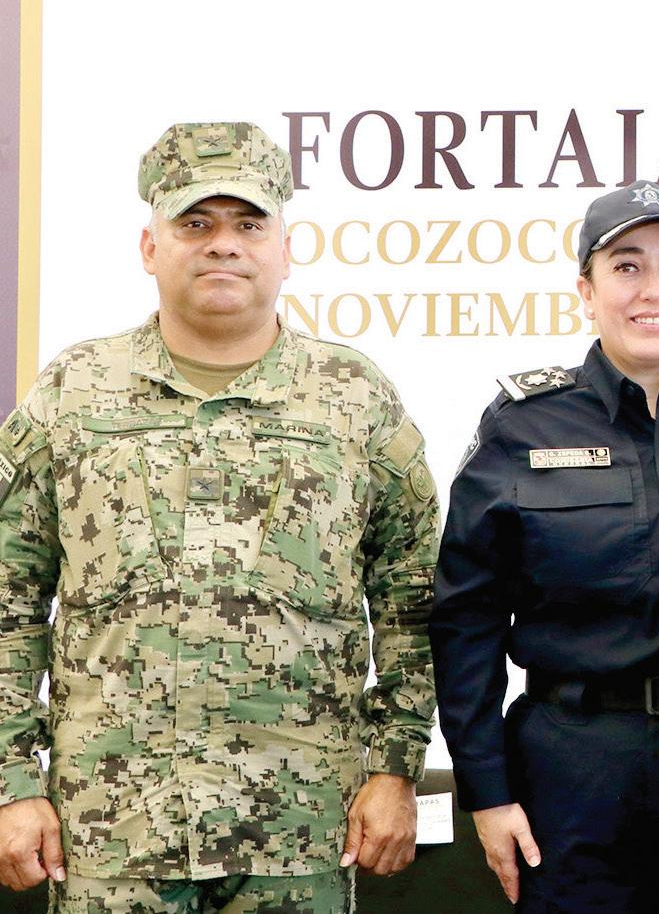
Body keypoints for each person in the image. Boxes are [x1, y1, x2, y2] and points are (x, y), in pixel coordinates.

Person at [0, 122, 439, 912]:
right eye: (195, 223)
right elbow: (8, 597)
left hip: (298, 831)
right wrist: (11, 779)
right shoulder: (74, 392)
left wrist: (396, 765)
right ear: (150, 247)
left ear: (286, 248)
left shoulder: (354, 398)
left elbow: (416, 600)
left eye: (248, 223)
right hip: (113, 829)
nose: (223, 244)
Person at [431, 182, 659, 912]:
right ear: (586, 291)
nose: (654, 289)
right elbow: (467, 620)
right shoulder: (522, 426)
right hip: (574, 774)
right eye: (626, 266)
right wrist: (487, 792)